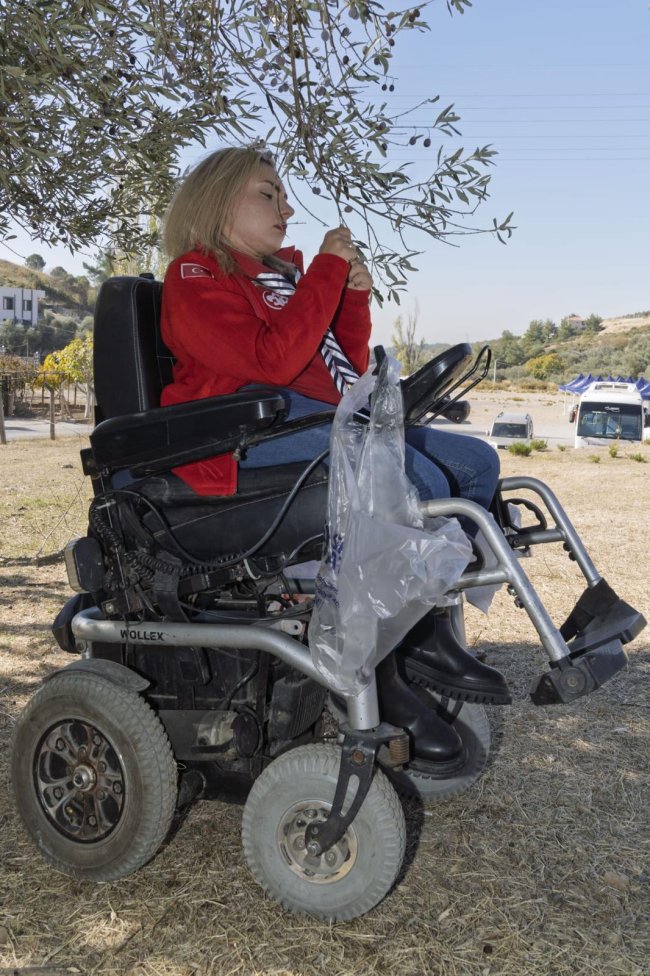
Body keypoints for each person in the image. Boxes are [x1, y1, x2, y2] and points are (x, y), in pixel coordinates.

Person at [161, 146, 510, 766]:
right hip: (239, 433)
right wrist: (324, 270)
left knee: (476, 465)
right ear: (217, 201)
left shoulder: (277, 283)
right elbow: (271, 362)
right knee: (413, 480)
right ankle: (383, 664)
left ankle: (420, 632)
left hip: (307, 415)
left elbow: (333, 375)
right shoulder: (194, 276)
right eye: (267, 193)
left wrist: (349, 297)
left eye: (283, 195)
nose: (286, 208)